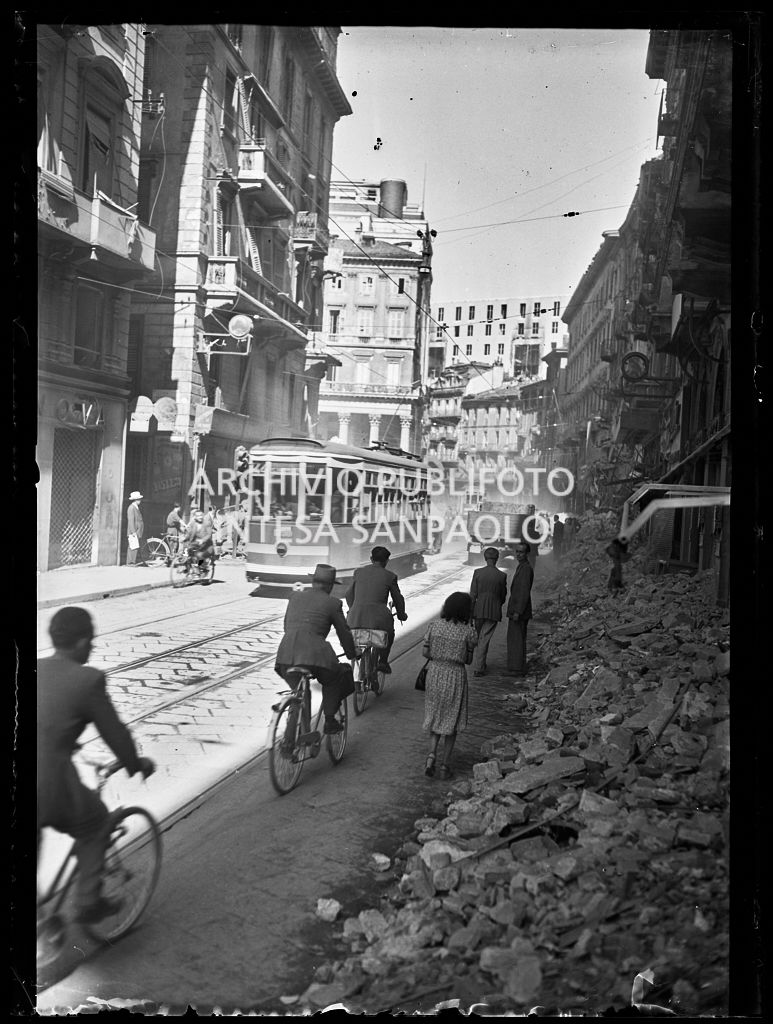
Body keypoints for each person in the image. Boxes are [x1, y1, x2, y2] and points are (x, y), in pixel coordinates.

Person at [37, 607, 155, 922]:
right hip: (49, 783)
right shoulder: (87, 680)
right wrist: (136, 763)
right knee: (97, 822)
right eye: (90, 640)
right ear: (79, 642)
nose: (92, 646)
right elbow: (115, 733)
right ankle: (88, 900)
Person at [274, 564, 357, 734]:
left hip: (285, 655)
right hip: (316, 656)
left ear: (313, 582)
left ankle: (300, 735)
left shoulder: (294, 597)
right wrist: (352, 653)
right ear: (330, 585)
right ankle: (329, 720)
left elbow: (287, 626)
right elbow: (344, 633)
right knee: (334, 678)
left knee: (300, 691)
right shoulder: (333, 603)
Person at [421, 592, 478, 779]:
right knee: (451, 719)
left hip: (435, 674)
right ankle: (445, 765)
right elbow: (468, 660)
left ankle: (431, 755)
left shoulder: (434, 626)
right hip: (455, 675)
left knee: (435, 713)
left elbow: (425, 653)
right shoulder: (469, 632)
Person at [344, 546, 407, 674]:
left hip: (355, 618)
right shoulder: (390, 576)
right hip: (379, 621)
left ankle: (356, 652)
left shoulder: (358, 572)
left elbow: (348, 594)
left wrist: (353, 609)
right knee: (390, 633)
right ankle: (383, 661)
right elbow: (398, 599)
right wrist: (401, 614)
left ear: (371, 559)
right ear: (387, 561)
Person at [469, 547, 508, 677]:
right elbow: (503, 596)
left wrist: (470, 613)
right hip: (493, 611)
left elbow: (473, 594)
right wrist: (496, 603)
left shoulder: (478, 572)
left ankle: (476, 662)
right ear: (497, 559)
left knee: (478, 637)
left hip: (478, 609)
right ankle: (479, 668)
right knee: (484, 639)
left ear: (485, 558)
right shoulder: (502, 576)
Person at [505, 541, 534, 677]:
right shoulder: (522, 566)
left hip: (519, 611)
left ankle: (516, 669)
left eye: (521, 552)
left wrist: (518, 611)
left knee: (516, 640)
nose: (518, 554)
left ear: (527, 553)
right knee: (515, 639)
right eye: (517, 552)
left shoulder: (526, 568)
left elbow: (523, 592)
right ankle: (516, 667)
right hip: (518, 610)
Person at [125, 490, 144, 566]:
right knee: (132, 546)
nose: (140, 500)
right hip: (133, 531)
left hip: (136, 530)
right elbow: (131, 521)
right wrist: (133, 532)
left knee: (134, 546)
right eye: (138, 499)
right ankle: (130, 562)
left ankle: (132, 561)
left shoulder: (135, 507)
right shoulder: (131, 508)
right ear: (135, 500)